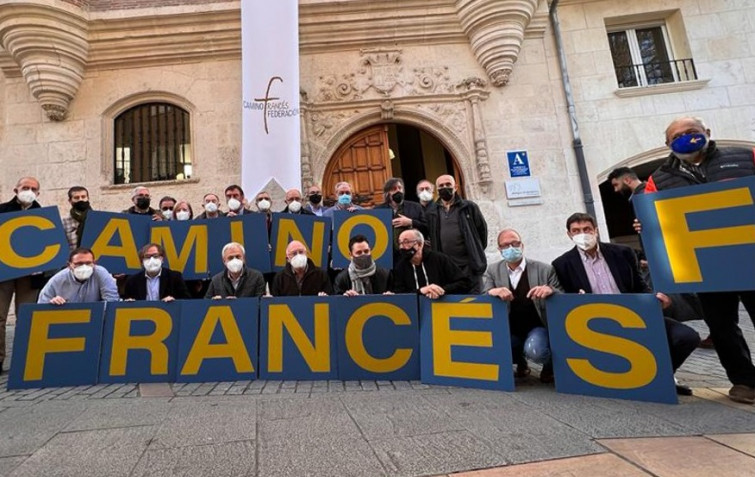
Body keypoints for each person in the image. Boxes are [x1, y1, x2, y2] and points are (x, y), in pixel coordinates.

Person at [643, 116, 755, 404]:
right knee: (721, 325)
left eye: (691, 132)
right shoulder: (659, 179)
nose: (686, 138)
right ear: (667, 144)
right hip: (708, 265)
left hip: (749, 254)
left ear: (706, 132)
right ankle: (744, 381)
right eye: (677, 136)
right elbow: (654, 220)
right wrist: (645, 224)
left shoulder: (744, 156)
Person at [551, 213, 700, 396]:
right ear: (569, 235)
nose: (583, 234)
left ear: (596, 230)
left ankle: (663, 375)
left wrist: (657, 301)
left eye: (587, 229)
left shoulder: (622, 253)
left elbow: (641, 286)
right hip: (596, 326)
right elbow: (565, 301)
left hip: (634, 318)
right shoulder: (561, 264)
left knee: (687, 337)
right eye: (576, 231)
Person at [608, 165, 711, 348]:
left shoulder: (644, 195)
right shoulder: (643, 195)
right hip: (663, 257)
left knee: (685, 294)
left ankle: (714, 328)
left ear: (627, 180)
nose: (615, 190)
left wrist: (656, 257)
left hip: (668, 258)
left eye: (616, 185)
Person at [482, 229, 562, 383]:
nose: (511, 248)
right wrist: (493, 291)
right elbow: (484, 295)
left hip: (537, 325)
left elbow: (562, 296)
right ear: (499, 249)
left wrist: (550, 290)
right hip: (509, 327)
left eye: (515, 243)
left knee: (536, 351)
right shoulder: (493, 270)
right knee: (497, 349)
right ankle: (521, 363)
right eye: (505, 245)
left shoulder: (544, 269)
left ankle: (549, 366)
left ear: (522, 245)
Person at [0, 177, 43, 372]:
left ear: (38, 193)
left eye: (33, 188)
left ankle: (24, 361)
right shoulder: (2, 211)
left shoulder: (43, 214)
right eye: (25, 187)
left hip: (30, 275)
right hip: (4, 273)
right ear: (15, 190)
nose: (29, 191)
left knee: (26, 317)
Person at [425, 174, 488, 294]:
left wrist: (475, 250)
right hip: (446, 268)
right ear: (436, 190)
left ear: (456, 187)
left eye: (448, 184)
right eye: (441, 185)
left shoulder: (469, 207)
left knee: (474, 302)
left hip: (469, 266)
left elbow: (481, 233)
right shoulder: (432, 212)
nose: (445, 187)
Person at [392, 229, 472, 297]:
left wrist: (441, 290)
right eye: (400, 243)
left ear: (420, 244)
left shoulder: (440, 259)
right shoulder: (400, 266)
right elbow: (400, 294)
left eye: (406, 242)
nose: (402, 247)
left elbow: (464, 283)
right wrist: (421, 291)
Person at [38, 247, 119, 304]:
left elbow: (112, 301)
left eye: (88, 263)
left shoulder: (101, 273)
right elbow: (40, 307)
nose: (84, 267)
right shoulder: (57, 280)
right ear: (69, 265)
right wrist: (51, 305)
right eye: (79, 264)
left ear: (94, 263)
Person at [123, 243, 190, 301]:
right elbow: (126, 302)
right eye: (147, 257)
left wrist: (174, 301)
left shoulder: (174, 277)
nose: (152, 260)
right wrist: (129, 303)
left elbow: (186, 300)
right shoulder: (132, 281)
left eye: (155, 256)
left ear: (162, 258)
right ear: (142, 261)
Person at [375, 178, 427, 250]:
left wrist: (411, 222)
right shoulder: (378, 210)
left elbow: (426, 227)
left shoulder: (415, 207)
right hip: (389, 252)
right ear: (388, 193)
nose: (398, 190)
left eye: (400, 188)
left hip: (411, 249)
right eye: (394, 189)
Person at [61, 185, 90, 251]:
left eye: (83, 197)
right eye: (76, 198)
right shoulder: (64, 223)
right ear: (70, 201)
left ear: (88, 198)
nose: (80, 200)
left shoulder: (98, 219)